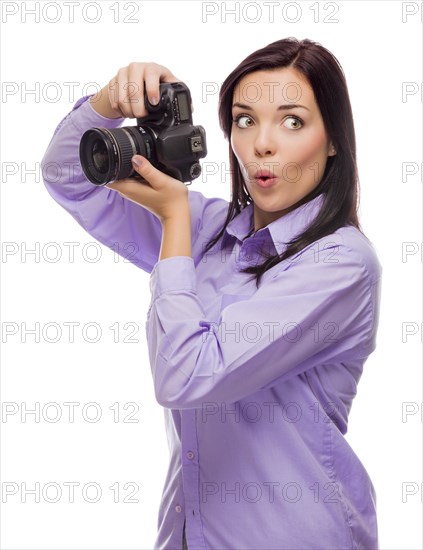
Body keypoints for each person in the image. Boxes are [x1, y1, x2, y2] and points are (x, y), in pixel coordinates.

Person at [41, 37, 382, 550]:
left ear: (333, 139)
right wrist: (110, 101)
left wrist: (173, 220)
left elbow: (187, 374)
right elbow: (68, 177)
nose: (263, 144)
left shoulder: (342, 263)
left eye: (292, 121)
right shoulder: (210, 229)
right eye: (245, 120)